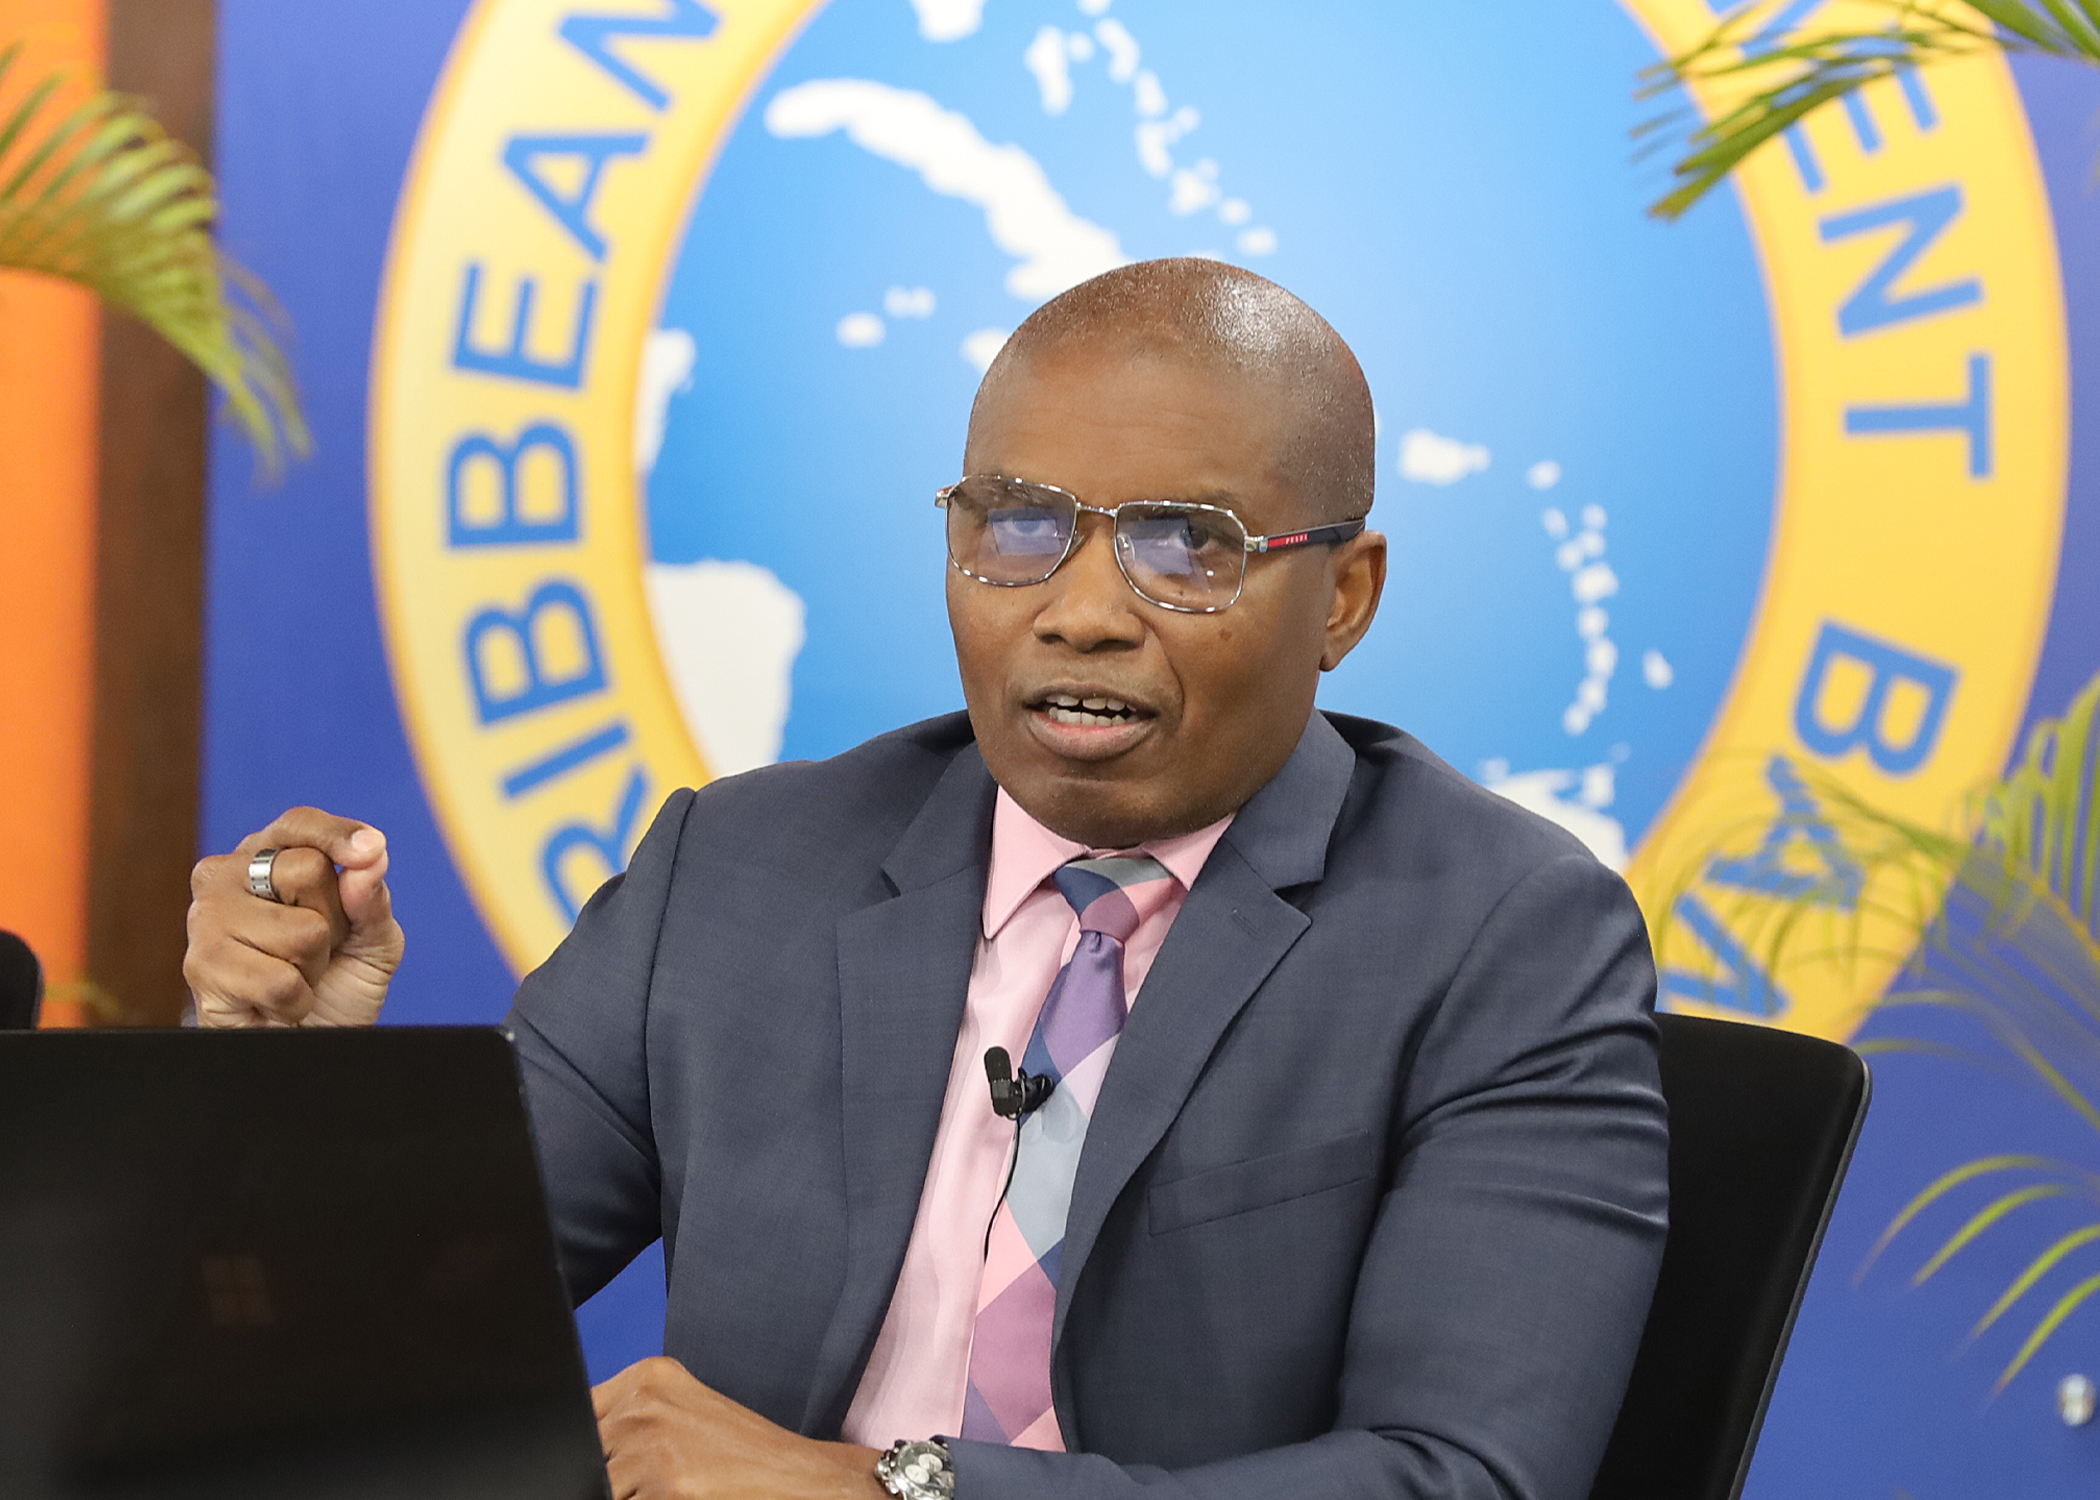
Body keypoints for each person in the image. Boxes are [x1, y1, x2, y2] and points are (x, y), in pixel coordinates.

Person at [184, 259, 1669, 1500]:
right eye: (1019, 526)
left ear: (1340, 595)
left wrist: (889, 1490)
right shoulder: (743, 871)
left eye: (1184, 547)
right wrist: (279, 1087)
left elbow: (1467, 1476)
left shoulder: (1501, 935)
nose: (1081, 612)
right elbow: (370, 1331)